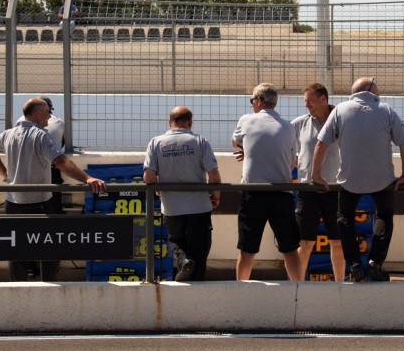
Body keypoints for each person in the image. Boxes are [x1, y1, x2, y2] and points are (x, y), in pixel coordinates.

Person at [0, 98, 107, 282]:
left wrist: (3, 172)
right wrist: (88, 178)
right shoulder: (41, 135)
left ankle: (17, 292)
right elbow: (61, 162)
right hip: (39, 204)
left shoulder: (9, 134)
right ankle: (48, 288)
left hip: (13, 203)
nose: (50, 116)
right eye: (48, 112)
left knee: (16, 252)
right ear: (37, 113)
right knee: (48, 249)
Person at [312, 77, 404, 282]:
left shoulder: (340, 110)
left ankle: (355, 264)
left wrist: (316, 175)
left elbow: (321, 144)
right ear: (370, 89)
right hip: (383, 179)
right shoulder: (386, 110)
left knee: (345, 217)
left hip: (349, 179)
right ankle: (375, 261)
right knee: (384, 215)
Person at [231, 83, 302, 281]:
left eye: (252, 101)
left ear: (259, 101)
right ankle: (299, 289)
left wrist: (250, 149)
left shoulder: (246, 120)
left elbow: (234, 140)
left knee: (247, 249)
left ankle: (241, 290)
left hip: (254, 193)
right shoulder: (288, 127)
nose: (251, 105)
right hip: (282, 193)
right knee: (290, 248)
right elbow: (291, 163)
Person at [144, 106, 221, 282]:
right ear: (190, 122)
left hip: (172, 206)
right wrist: (215, 196)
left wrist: (157, 186)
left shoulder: (156, 142)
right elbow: (214, 176)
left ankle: (183, 261)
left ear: (170, 122)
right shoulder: (200, 141)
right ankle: (196, 284)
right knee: (200, 247)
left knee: (177, 240)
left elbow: (148, 176)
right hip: (199, 205)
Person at [291, 83, 345, 281]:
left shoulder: (342, 122)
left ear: (324, 99)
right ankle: (296, 287)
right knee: (305, 243)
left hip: (336, 189)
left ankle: (340, 286)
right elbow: (282, 143)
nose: (307, 105)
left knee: (337, 242)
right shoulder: (299, 123)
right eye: (305, 101)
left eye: (310, 101)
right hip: (308, 189)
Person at [16, 96, 65, 214]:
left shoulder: (20, 121)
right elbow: (62, 144)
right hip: (50, 167)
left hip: (23, 168)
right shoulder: (58, 121)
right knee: (53, 205)